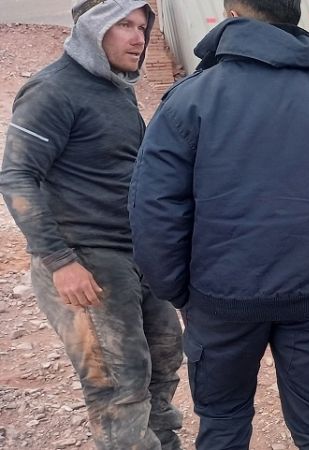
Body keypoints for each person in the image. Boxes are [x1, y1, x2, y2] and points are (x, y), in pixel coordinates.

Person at [127, 0, 309, 448]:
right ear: (293, 18)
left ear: (232, 14)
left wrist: (178, 290)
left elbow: (153, 210)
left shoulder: (191, 100)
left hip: (221, 299)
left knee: (223, 425)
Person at [0, 1, 184, 449]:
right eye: (124, 24)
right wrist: (60, 262)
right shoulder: (53, 90)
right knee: (119, 386)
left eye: (142, 26)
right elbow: (17, 175)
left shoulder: (116, 89)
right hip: (86, 262)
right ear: (91, 28)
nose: (138, 37)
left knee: (163, 364)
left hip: (135, 258)